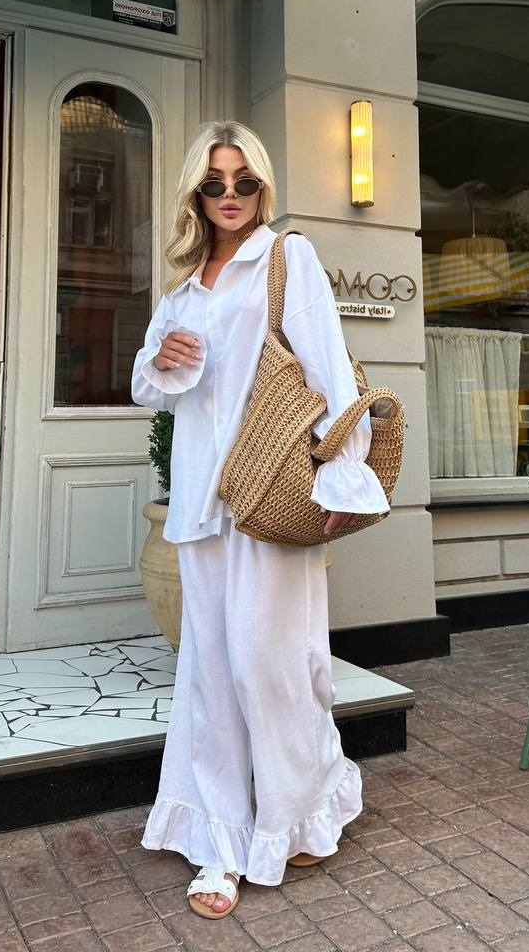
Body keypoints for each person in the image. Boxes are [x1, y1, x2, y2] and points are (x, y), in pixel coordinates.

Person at [131, 121, 389, 919]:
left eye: (244, 181)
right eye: (214, 183)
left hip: (271, 494)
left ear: (262, 186)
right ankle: (219, 841)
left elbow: (329, 367)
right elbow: (147, 386)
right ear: (195, 194)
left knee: (273, 666)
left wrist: (342, 475)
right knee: (211, 676)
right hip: (201, 501)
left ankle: (302, 810)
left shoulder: (286, 258)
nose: (231, 195)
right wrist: (160, 363)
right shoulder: (182, 289)